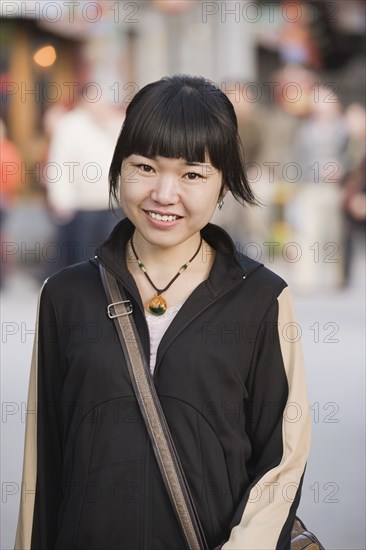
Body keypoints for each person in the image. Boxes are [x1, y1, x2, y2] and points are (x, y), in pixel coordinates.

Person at [15, 75, 311, 550]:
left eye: (192, 174)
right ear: (118, 168)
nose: (164, 194)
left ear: (223, 184)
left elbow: (282, 463)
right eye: (145, 167)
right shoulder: (64, 296)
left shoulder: (261, 298)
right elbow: (42, 464)